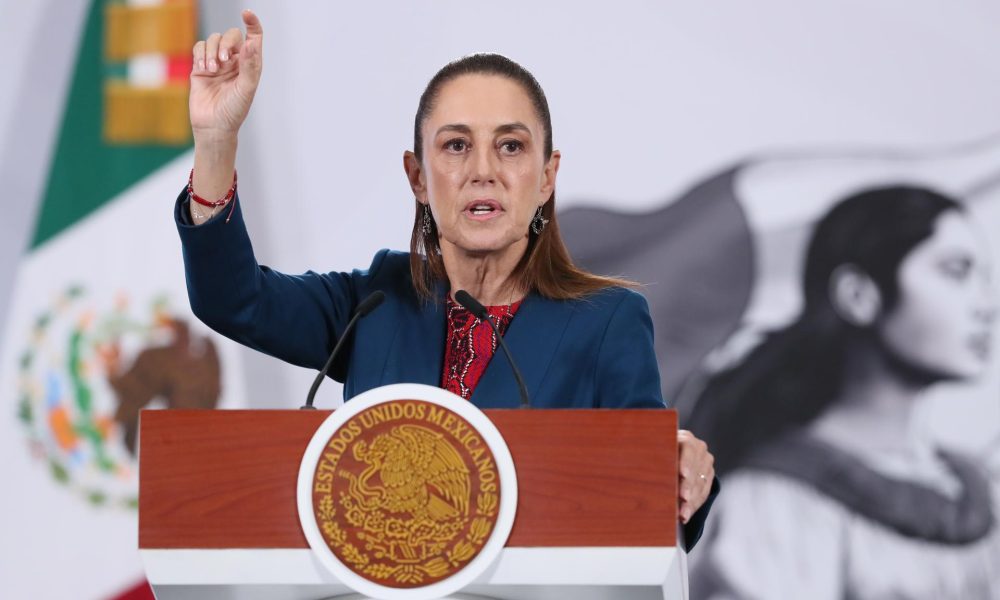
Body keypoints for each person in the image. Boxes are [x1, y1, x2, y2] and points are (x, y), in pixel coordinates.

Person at [176, 11, 718, 548]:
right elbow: (234, 298)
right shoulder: (375, 302)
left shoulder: (608, 321)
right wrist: (216, 141)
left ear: (547, 177)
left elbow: (649, 489)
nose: (483, 170)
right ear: (418, 177)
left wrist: (678, 465)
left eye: (511, 146)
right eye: (456, 145)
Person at [687, 186, 1000, 598]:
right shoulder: (772, 503)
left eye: (985, 278)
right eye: (956, 271)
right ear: (858, 295)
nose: (986, 305)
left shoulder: (980, 488)